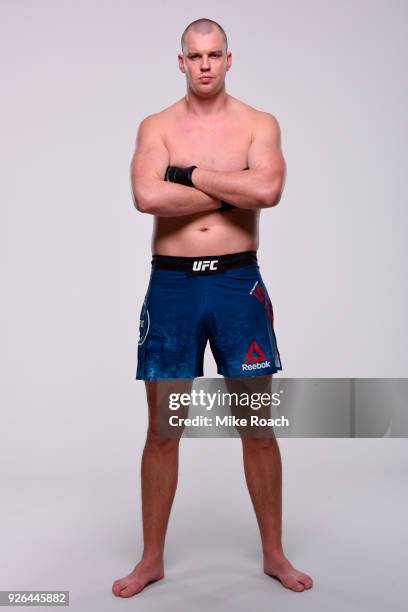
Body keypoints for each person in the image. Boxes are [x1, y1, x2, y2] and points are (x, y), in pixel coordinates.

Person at [112, 17, 313, 597]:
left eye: (214, 55)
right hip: (172, 286)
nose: (204, 64)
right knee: (162, 430)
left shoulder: (258, 123)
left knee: (256, 427)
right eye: (195, 56)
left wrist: (189, 174)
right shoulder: (157, 125)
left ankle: (273, 554)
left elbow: (269, 191)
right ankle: (151, 559)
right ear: (181, 62)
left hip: (236, 284)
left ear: (230, 60)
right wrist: (234, 183)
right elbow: (147, 196)